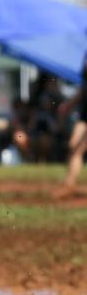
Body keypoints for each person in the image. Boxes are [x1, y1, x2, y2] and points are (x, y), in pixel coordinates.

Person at [54, 58, 87, 199]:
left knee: (79, 148)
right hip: (85, 111)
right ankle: (69, 185)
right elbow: (84, 87)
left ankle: (68, 184)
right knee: (74, 144)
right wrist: (69, 105)